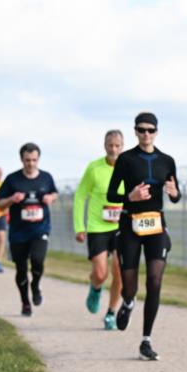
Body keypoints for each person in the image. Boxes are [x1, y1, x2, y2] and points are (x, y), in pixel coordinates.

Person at [106, 112, 180, 360]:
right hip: (130, 225)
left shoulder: (167, 161)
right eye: (141, 130)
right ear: (135, 132)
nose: (146, 134)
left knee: (155, 281)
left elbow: (175, 194)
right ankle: (127, 302)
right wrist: (131, 197)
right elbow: (110, 195)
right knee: (130, 285)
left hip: (156, 225)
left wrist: (174, 193)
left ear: (157, 132)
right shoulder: (126, 159)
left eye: (150, 130)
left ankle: (146, 340)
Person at [0, 143, 59, 317]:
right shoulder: (12, 179)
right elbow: (0, 204)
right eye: (27, 160)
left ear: (38, 159)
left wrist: (50, 198)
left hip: (40, 229)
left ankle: (36, 286)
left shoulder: (46, 178)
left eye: (34, 160)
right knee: (21, 269)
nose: (31, 163)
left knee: (38, 260)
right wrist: (11, 199)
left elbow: (55, 193)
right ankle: (25, 301)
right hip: (18, 232)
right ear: (21, 160)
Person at [74, 130, 125, 330]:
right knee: (101, 273)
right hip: (97, 227)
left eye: (117, 145)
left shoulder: (128, 167)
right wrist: (80, 226)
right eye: (110, 145)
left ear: (122, 146)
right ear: (105, 146)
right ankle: (95, 287)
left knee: (120, 272)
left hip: (122, 227)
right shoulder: (94, 168)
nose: (113, 149)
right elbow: (80, 196)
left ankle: (111, 313)